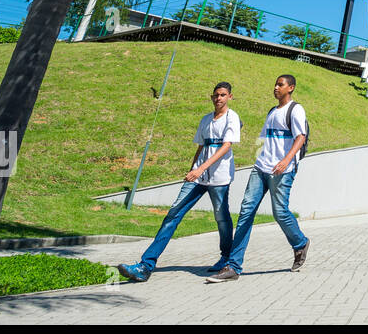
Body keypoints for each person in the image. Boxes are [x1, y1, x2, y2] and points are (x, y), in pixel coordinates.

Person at [117, 82, 241, 282]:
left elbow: (226, 146)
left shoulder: (232, 117)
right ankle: (146, 265)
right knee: (173, 214)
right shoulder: (206, 120)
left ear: (230, 97)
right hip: (198, 177)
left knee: (222, 218)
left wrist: (201, 168)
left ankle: (226, 257)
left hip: (219, 177)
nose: (219, 98)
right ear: (212, 97)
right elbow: (201, 147)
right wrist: (194, 168)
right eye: (216, 95)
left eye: (223, 95)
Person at [207, 74, 309, 282]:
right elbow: (264, 138)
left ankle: (300, 243)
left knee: (280, 212)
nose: (275, 87)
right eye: (275, 84)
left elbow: (301, 137)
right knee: (246, 211)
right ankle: (233, 267)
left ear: (291, 88)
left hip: (283, 170)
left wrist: (285, 160)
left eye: (280, 85)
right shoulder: (272, 111)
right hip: (261, 169)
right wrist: (259, 158)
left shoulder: (295, 109)